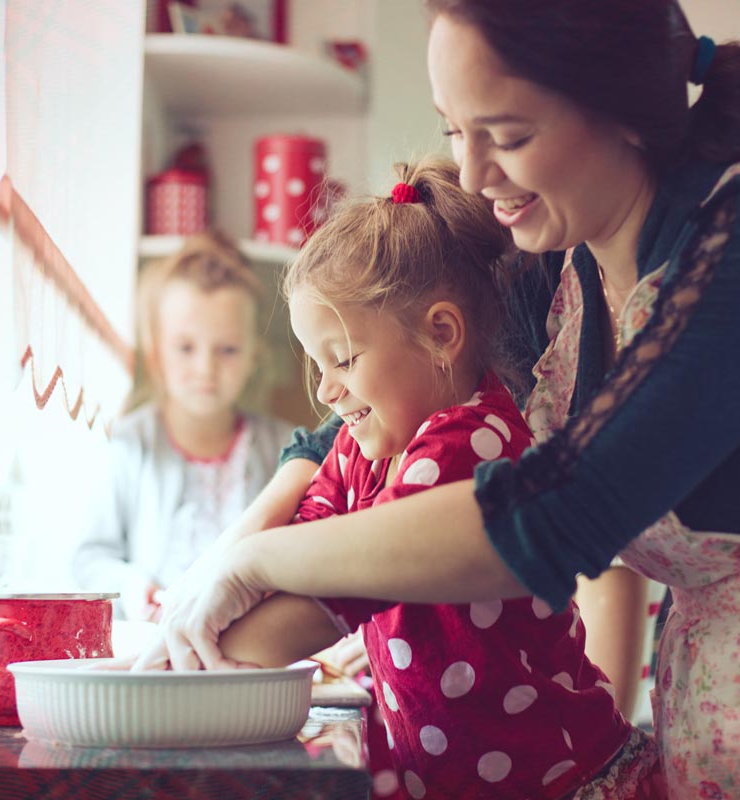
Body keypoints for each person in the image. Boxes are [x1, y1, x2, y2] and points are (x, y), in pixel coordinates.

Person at [141, 2, 740, 796]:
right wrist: (232, 552)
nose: (473, 172)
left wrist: (256, 563)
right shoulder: (557, 266)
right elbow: (354, 415)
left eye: (504, 134)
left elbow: (553, 515)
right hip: (736, 728)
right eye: (454, 131)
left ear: (620, 110)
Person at [152, 157, 664, 799]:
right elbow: (310, 526)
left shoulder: (469, 443)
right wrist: (202, 613)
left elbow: (336, 588)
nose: (327, 390)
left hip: (564, 785)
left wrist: (174, 663)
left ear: (441, 334)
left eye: (343, 360)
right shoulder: (367, 444)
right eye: (317, 365)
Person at [71, 231, 294, 621]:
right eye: (185, 348)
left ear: (253, 356)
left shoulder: (286, 450)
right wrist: (135, 590)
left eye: (227, 350)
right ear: (156, 354)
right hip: (153, 647)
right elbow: (90, 556)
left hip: (252, 650)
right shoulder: (127, 444)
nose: (205, 369)